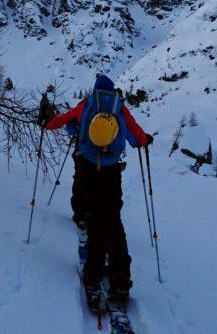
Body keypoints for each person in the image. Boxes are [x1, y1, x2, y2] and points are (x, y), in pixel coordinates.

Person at [42, 74, 152, 316]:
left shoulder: (86, 105)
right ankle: (120, 282)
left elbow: (59, 122)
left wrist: (46, 124)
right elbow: (137, 137)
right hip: (112, 170)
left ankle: (93, 275)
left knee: (94, 219)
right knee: (113, 221)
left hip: (88, 167)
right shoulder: (119, 108)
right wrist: (145, 140)